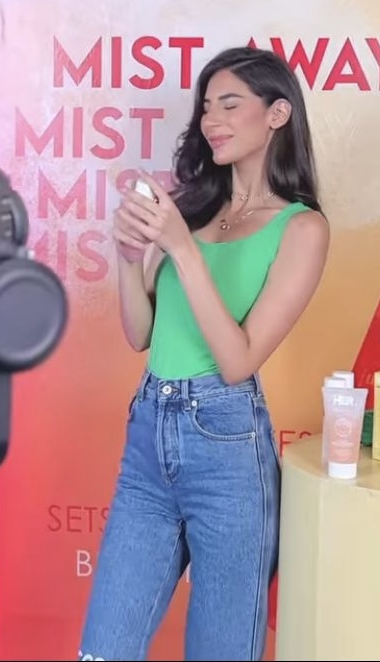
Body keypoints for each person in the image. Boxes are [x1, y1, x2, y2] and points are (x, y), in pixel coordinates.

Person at [78, 46, 330, 662]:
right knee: (102, 651)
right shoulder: (191, 207)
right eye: (206, 107)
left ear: (277, 114)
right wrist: (128, 258)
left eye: (229, 104)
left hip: (226, 451)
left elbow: (239, 361)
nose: (211, 120)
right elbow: (141, 334)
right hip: (149, 435)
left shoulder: (302, 228)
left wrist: (182, 250)